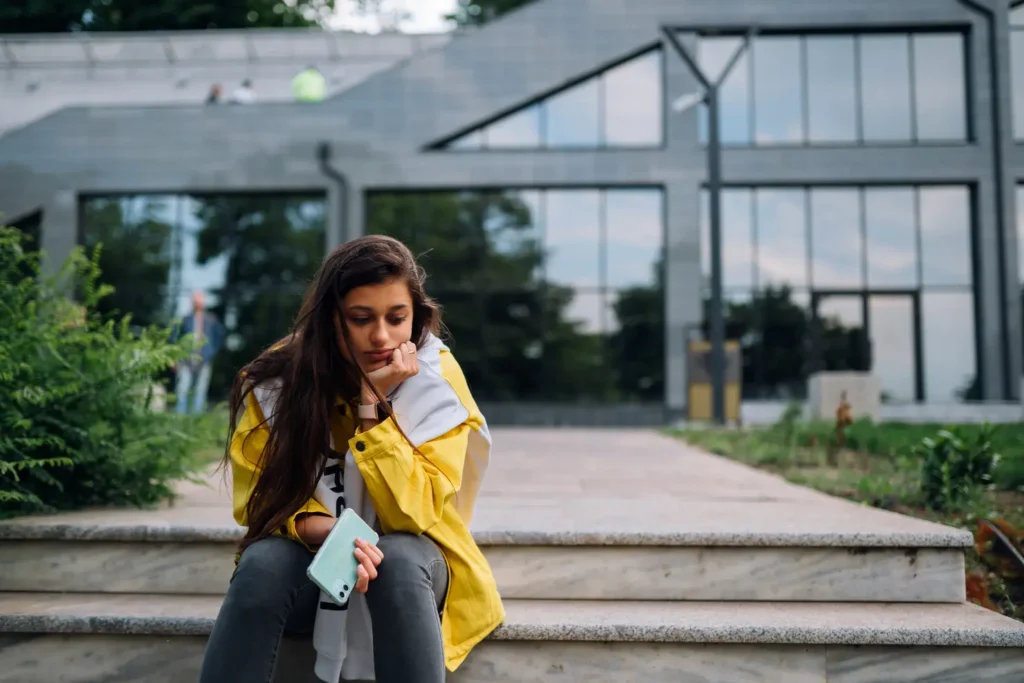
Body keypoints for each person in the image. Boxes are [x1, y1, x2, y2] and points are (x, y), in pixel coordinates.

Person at [198, 236, 503, 683]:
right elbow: (257, 501)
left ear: (416, 315)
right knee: (263, 563)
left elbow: (412, 515)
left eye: (397, 318)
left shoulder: (436, 381)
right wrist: (339, 534)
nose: (382, 336)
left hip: (413, 577)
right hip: (318, 570)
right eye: (361, 319)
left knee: (396, 557)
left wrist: (371, 410)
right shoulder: (276, 384)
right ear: (329, 321)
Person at [172, 291, 225, 415]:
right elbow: (175, 339)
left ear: (203, 303)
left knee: (200, 390)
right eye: (195, 301)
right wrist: (175, 359)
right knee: (182, 389)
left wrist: (211, 352)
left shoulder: (211, 320)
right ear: (192, 303)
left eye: (199, 301)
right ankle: (180, 416)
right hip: (186, 360)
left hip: (204, 360)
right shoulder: (185, 320)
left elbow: (219, 338)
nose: (197, 304)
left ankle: (196, 418)